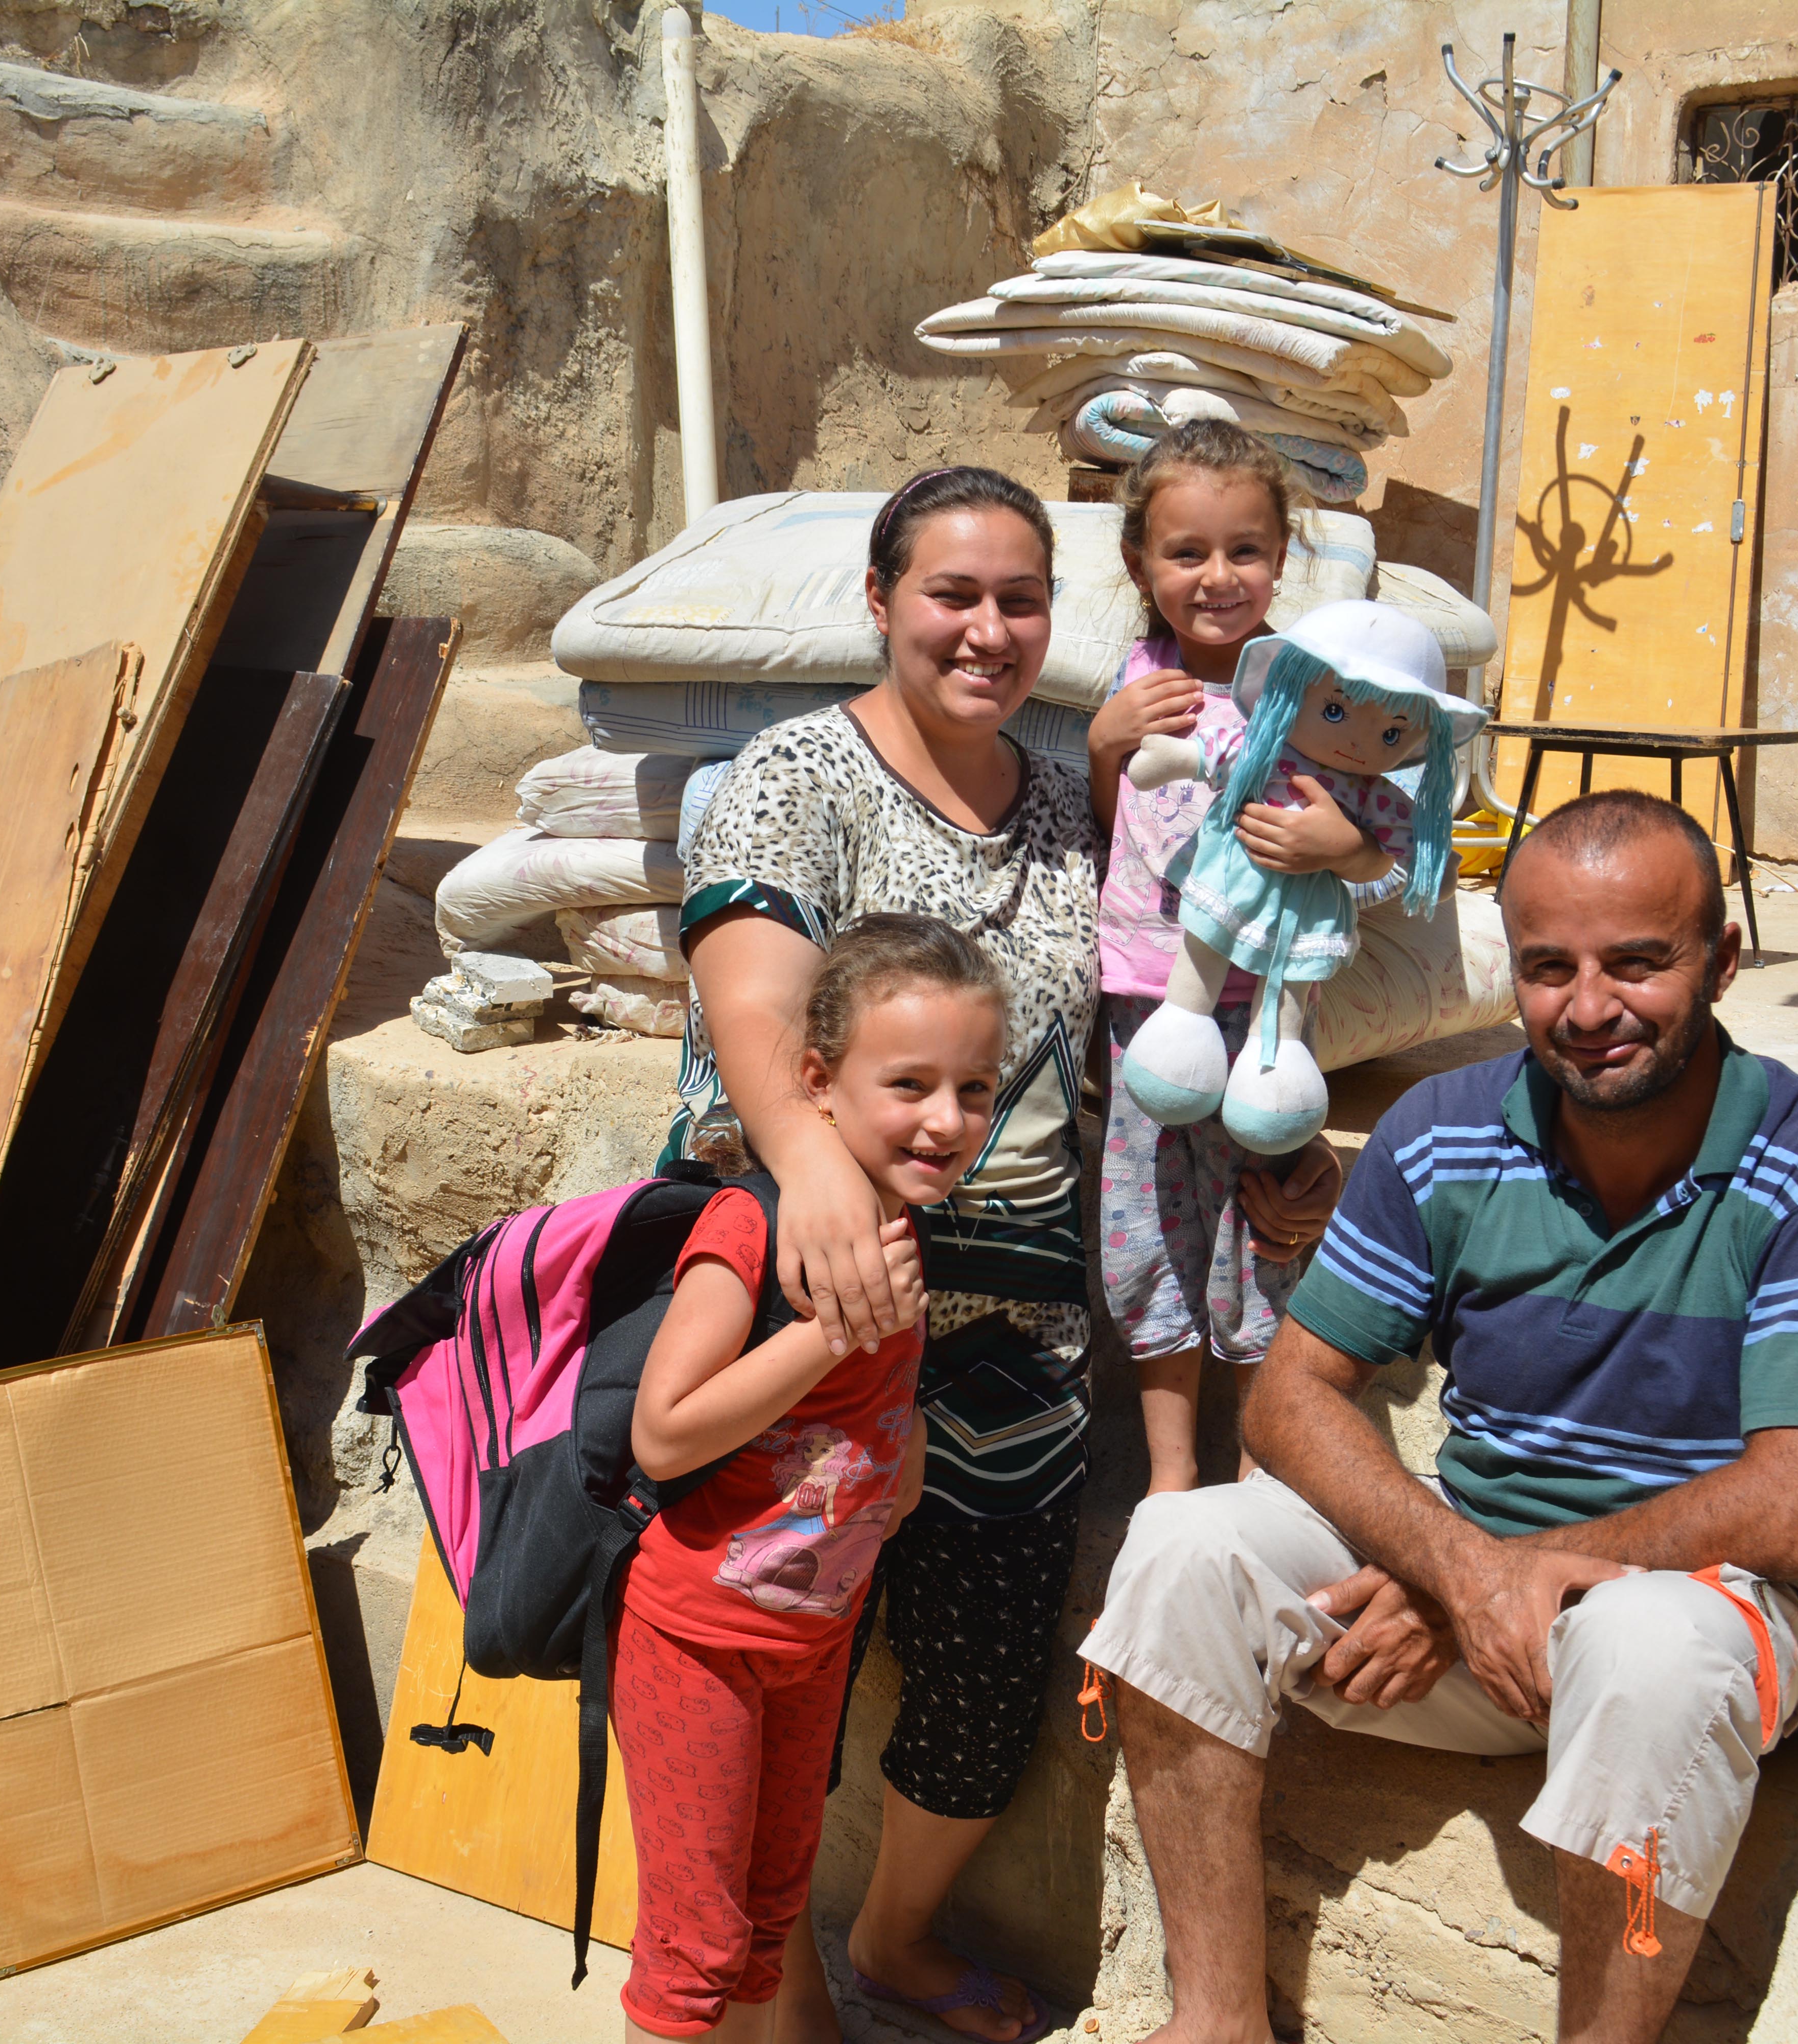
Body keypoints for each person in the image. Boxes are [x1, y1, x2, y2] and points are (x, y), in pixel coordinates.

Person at [675, 465, 1343, 2044]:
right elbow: (751, 992)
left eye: (1020, 601)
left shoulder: (1061, 797)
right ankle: (783, 1991)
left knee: (982, 1692)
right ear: (881, 601)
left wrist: (1276, 1143)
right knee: (788, 1664)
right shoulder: (796, 773)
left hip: (1018, 1346)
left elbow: (1168, 984)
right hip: (823, 1313)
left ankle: (898, 1940)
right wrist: (812, 1174)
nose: (987, 631)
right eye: (952, 595)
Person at [1079, 790, 1798, 2044]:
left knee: (1645, 1645)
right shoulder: (1446, 1131)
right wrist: (1458, 1569)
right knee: (1181, 1543)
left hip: (1714, 1611)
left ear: (1723, 959)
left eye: (1639, 962)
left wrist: (1486, 1579)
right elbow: (1294, 1394)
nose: (1589, 1007)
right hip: (1475, 1596)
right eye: (1548, 967)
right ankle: (1217, 2021)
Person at [616, 916, 1005, 2041]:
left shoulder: (902, 1228)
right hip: (699, 1641)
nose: (947, 1120)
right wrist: (832, 1336)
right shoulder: (754, 1224)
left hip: (809, 1645)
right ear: (820, 1084)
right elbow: (664, 1433)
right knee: (694, 1949)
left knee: (767, 1922)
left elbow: (867, 1420)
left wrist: (903, 1445)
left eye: (975, 1089)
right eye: (910, 1084)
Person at [1090, 422, 1361, 1494]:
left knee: (1262, 1222)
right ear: (1139, 565)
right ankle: (1170, 1474)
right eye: (1186, 552)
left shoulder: (1316, 686)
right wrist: (1108, 739)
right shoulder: (1138, 679)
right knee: (1150, 1221)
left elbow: (1373, 826)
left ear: (1282, 556)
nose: (1217, 576)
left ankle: (1259, 1464)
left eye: (1245, 550)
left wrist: (1337, 842)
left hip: (1268, 997)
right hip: (1149, 1002)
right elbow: (1115, 822)